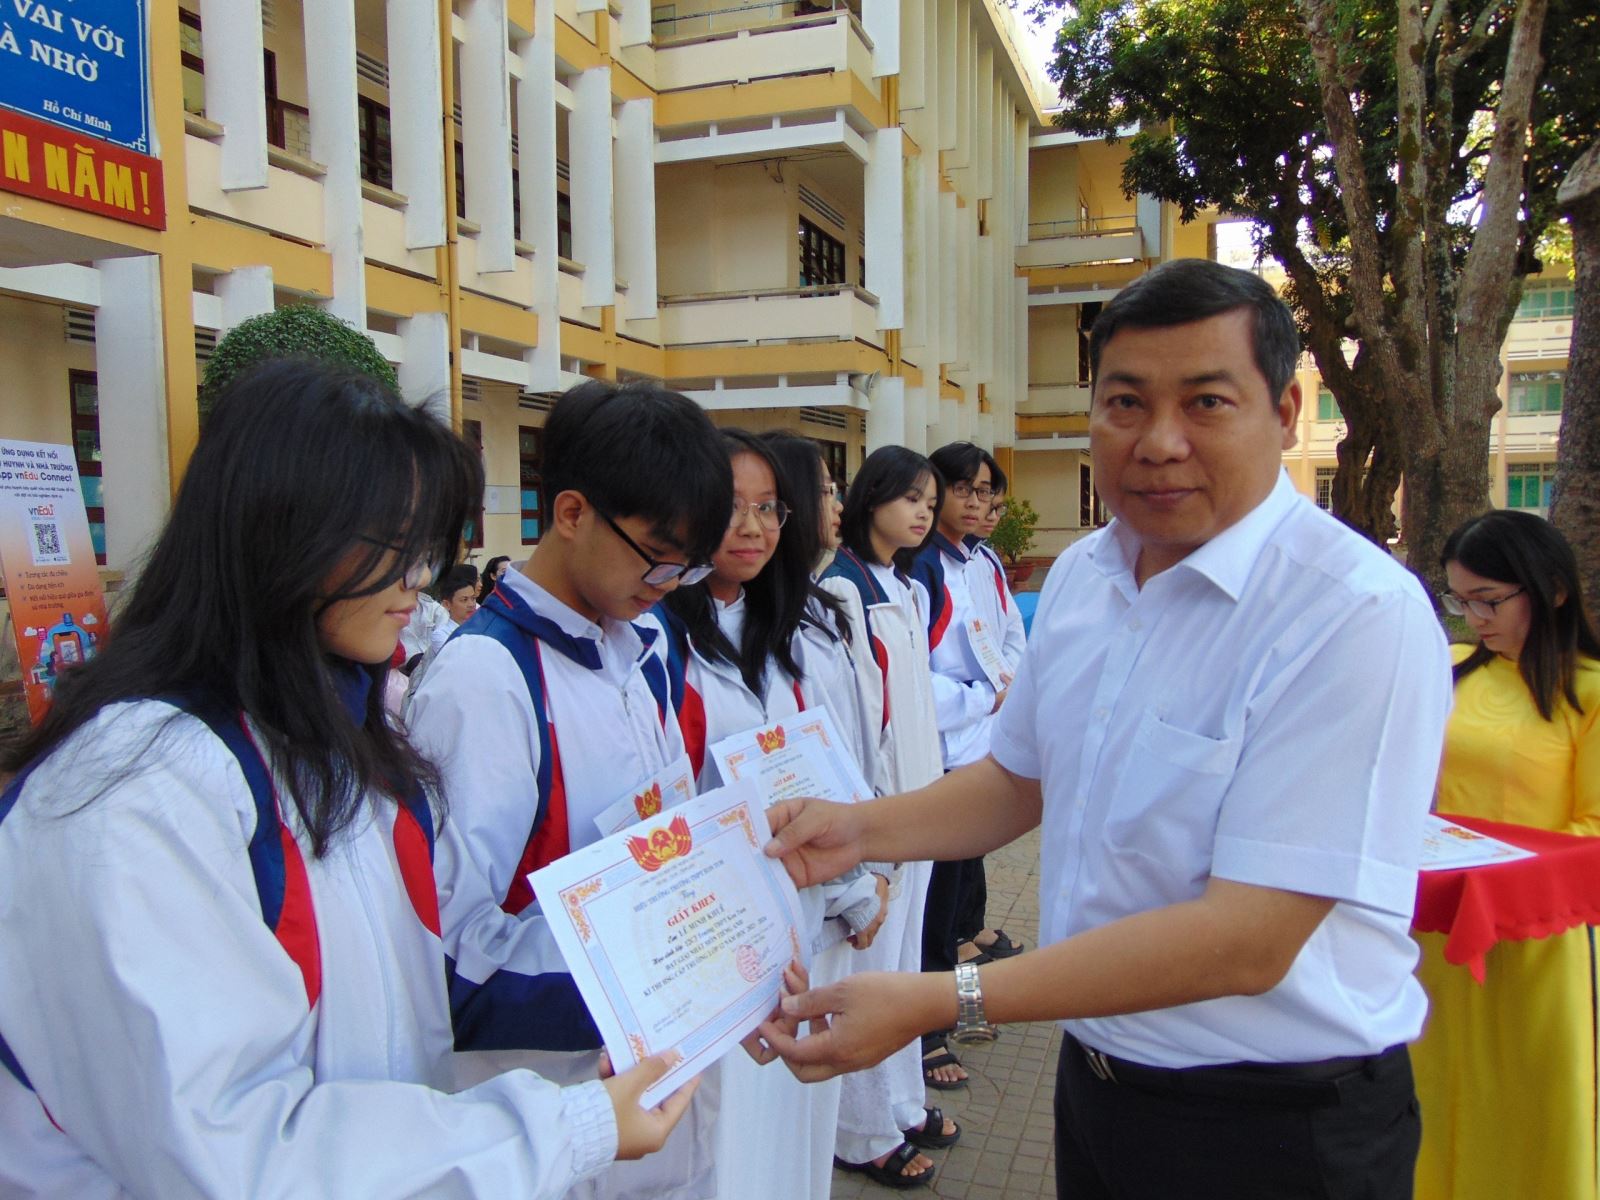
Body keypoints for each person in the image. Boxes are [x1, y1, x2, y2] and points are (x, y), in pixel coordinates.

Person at [760, 258, 1454, 1200]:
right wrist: (857, 830)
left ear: (1286, 411)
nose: (1159, 442)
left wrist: (943, 998)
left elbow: (1248, 939)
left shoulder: (1353, 613)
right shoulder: (1089, 575)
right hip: (1099, 1084)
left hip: (1277, 1125)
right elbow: (1018, 781)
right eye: (1126, 403)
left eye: (1207, 402)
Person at [0, 360, 695, 1198]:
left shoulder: (336, 743)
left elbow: (396, 1035)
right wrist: (563, 1126)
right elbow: (226, 1153)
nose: (419, 580)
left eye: (427, 547)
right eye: (390, 545)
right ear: (280, 532)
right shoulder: (136, 789)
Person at [405, 380, 735, 1200]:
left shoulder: (642, 644)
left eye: (690, 565)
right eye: (657, 555)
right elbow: (446, 955)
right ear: (573, 513)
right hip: (552, 1104)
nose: (670, 582)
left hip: (659, 1079)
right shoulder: (485, 683)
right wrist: (653, 984)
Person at [654, 430, 883, 1200]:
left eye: (769, 508)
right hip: (714, 932)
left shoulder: (791, 627)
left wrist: (857, 884)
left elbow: (837, 765)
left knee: (794, 1127)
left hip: (807, 910)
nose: (752, 528)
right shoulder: (657, 639)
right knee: (728, 1138)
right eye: (731, 509)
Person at [1412, 510, 1600, 1200]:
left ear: (1552, 590)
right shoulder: (1450, 670)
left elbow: (1593, 829)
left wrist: (1504, 875)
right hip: (1436, 924)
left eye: (1488, 600)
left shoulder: (1589, 692)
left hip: (1541, 931)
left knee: (1526, 1099)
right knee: (1431, 1084)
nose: (1473, 618)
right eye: (1460, 600)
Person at [817, 445, 954, 1188]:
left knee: (903, 968)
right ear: (871, 500)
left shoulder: (904, 585)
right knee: (873, 974)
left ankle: (900, 1103)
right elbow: (859, 725)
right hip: (882, 819)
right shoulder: (843, 591)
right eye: (910, 498)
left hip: (922, 808)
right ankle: (860, 1129)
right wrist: (870, 836)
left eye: (930, 501)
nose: (923, 512)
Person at [913, 443, 1024, 1089]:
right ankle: (927, 1028)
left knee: (958, 891)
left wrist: (1006, 687)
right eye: (965, 490)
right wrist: (984, 696)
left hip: (983, 743)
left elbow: (1010, 636)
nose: (978, 503)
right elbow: (913, 680)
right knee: (934, 898)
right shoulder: (921, 568)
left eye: (986, 492)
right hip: (942, 754)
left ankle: (955, 996)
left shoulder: (981, 560)